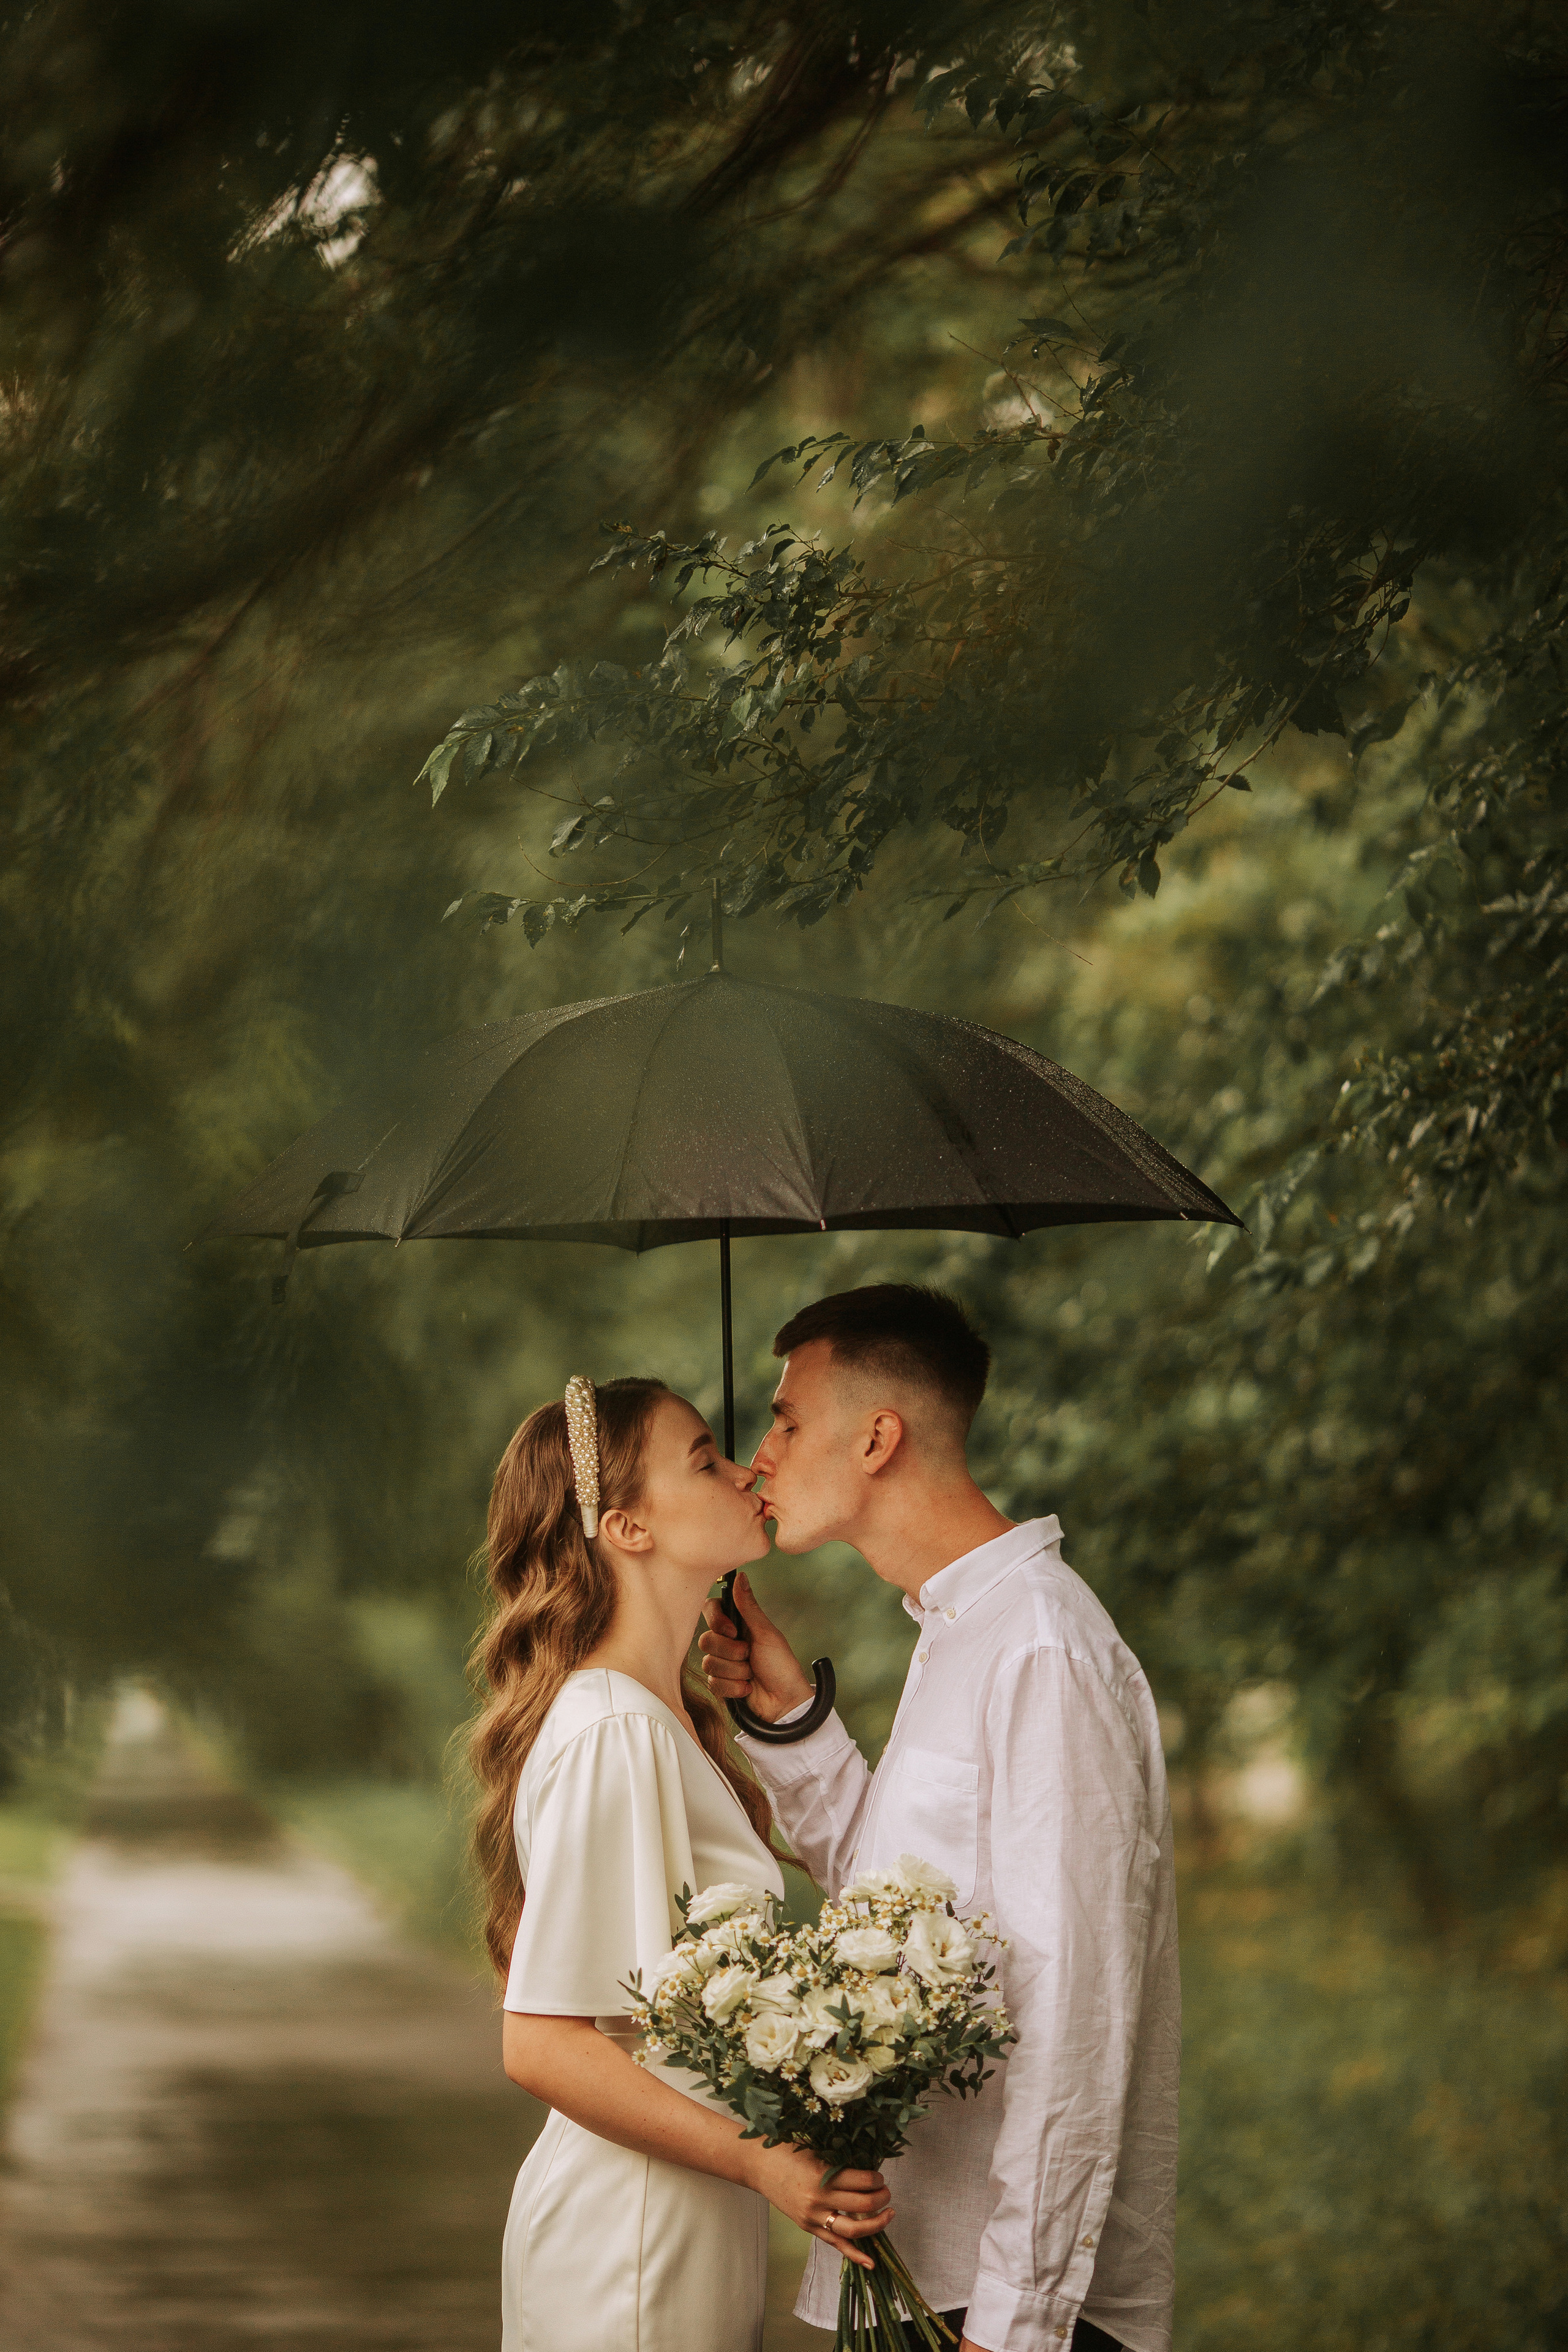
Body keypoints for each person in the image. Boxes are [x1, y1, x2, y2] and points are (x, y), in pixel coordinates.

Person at [700, 1286, 1178, 2352]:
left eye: (786, 1422)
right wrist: (791, 1718)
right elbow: (902, 1914)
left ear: (878, 1439)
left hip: (1002, 2307)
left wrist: (1017, 2322)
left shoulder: (1041, 1646)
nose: (759, 1458)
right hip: (917, 2267)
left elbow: (1076, 2008)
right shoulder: (958, 1631)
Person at [468, 1373, 893, 2352]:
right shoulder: (614, 1731)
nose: (744, 1472)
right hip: (632, 2244)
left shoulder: (653, 1722)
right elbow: (542, 2043)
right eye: (704, 1460)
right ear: (628, 1528)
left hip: (679, 2223)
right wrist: (763, 2163)